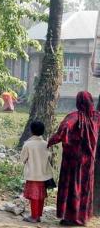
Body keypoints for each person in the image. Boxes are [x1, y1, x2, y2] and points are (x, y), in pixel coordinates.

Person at [48, 91, 100, 226]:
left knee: (72, 187)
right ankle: (82, 218)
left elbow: (63, 130)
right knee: (84, 187)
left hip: (72, 160)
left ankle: (71, 218)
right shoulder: (96, 117)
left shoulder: (74, 116)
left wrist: (50, 142)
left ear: (78, 102)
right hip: (89, 161)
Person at [20, 121, 53, 223]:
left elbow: (23, 159)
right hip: (43, 175)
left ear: (31, 131)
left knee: (34, 196)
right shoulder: (46, 144)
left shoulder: (28, 144)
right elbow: (49, 157)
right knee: (41, 196)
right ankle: (38, 215)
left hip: (33, 175)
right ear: (43, 131)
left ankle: (34, 216)